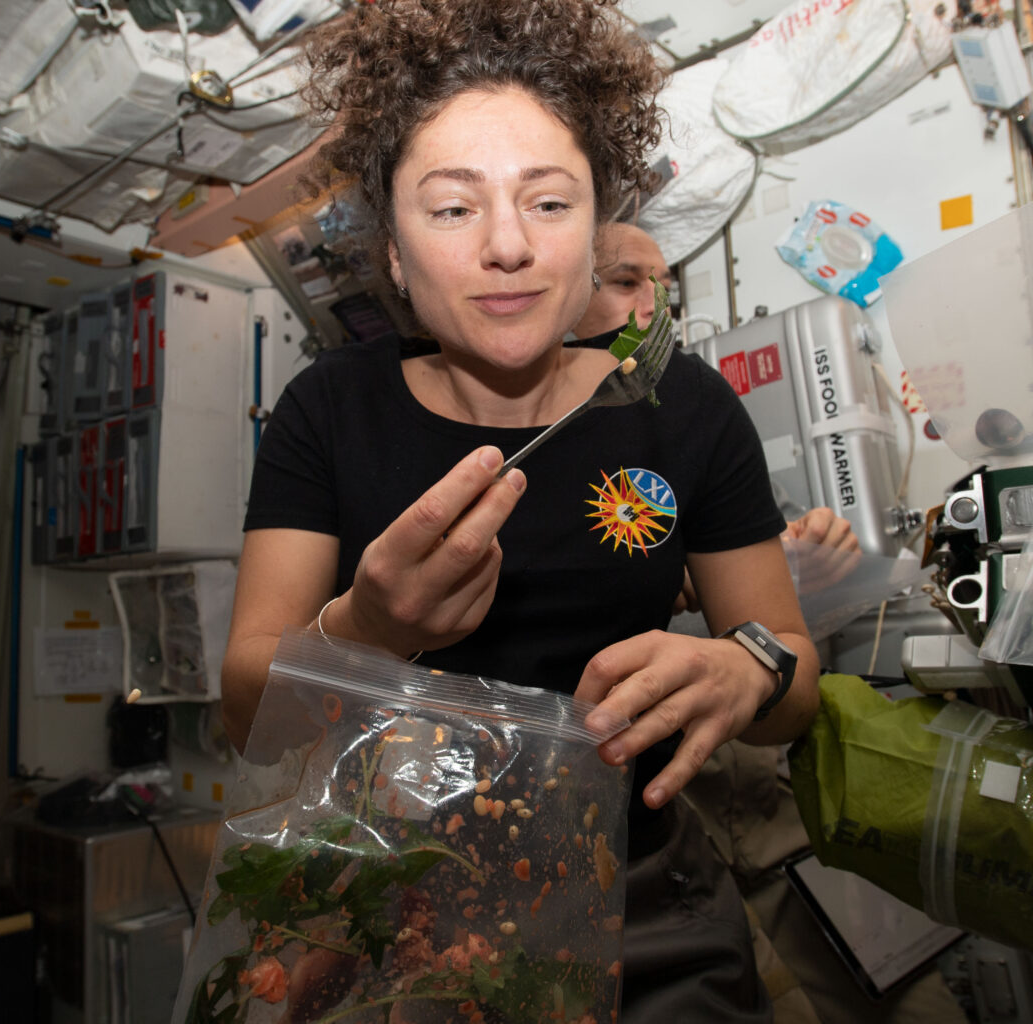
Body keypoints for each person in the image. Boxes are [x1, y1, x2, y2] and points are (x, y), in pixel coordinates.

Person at [220, 1, 818, 1019]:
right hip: (395, 887)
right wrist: (369, 630)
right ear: (394, 252)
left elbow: (794, 673)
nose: (508, 245)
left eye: (548, 202)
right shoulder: (328, 409)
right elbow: (246, 713)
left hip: (638, 885)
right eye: (453, 209)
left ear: (594, 234)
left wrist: (744, 667)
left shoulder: (685, 408)